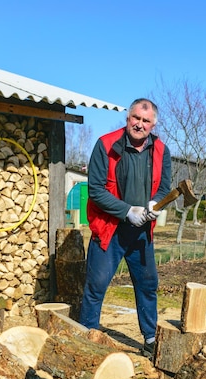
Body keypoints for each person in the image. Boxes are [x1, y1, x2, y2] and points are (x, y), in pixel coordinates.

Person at [79, 98, 172, 357]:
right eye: (136, 118)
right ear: (127, 118)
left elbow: (165, 186)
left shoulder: (161, 151)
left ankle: (150, 339)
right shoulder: (106, 145)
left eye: (146, 121)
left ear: (153, 124)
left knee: (147, 284)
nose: (140, 125)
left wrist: (155, 204)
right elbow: (96, 190)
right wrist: (126, 211)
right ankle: (87, 338)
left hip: (142, 231)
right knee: (96, 285)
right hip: (110, 228)